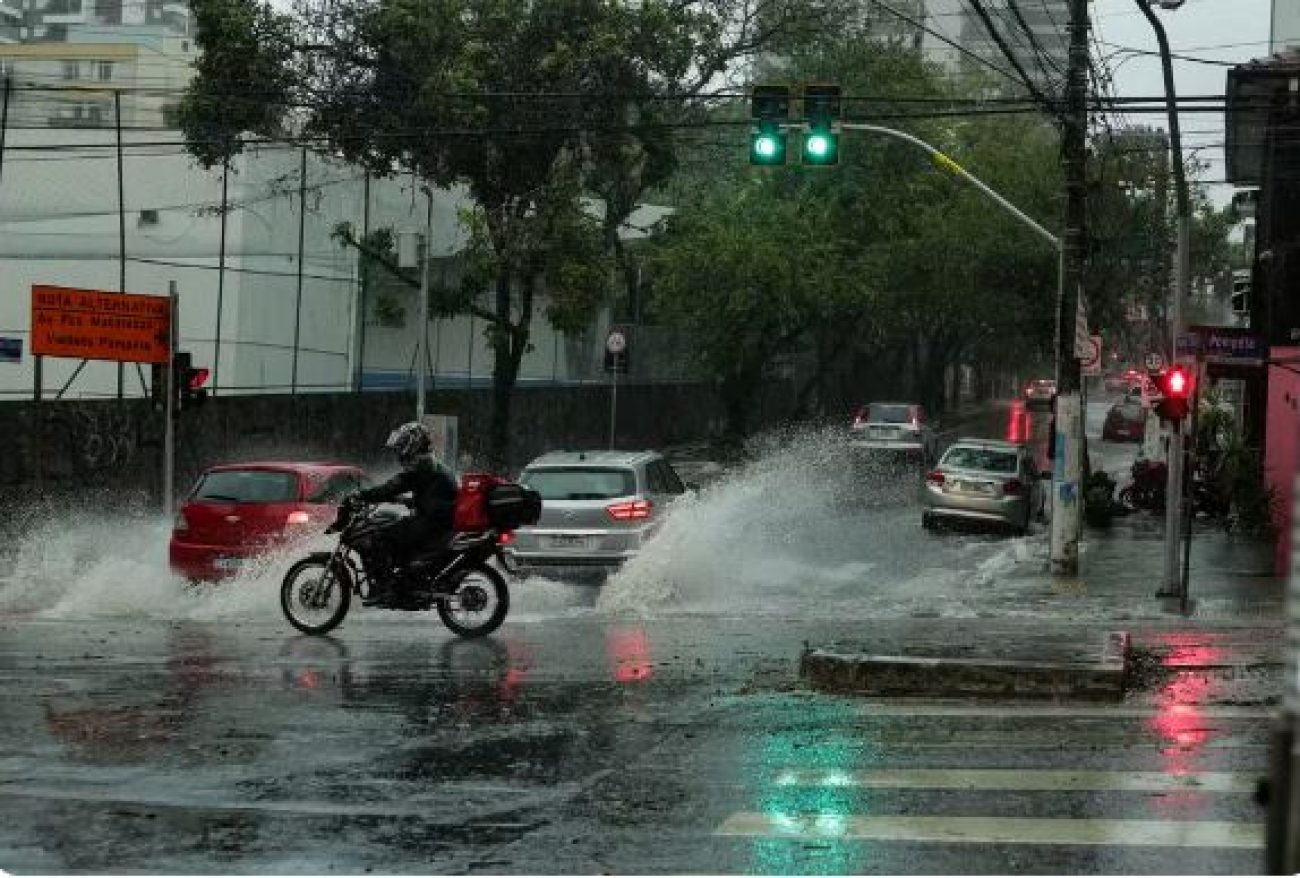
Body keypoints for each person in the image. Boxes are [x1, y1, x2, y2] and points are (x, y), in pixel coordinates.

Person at [348, 421, 459, 600]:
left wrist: (362, 496)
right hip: (439, 519)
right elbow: (432, 494)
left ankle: (384, 587)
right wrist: (405, 501)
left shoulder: (421, 464)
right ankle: (403, 579)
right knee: (396, 529)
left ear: (413, 444)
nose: (398, 451)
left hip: (432, 521)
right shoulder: (430, 463)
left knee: (379, 536)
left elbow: (393, 486)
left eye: (401, 445)